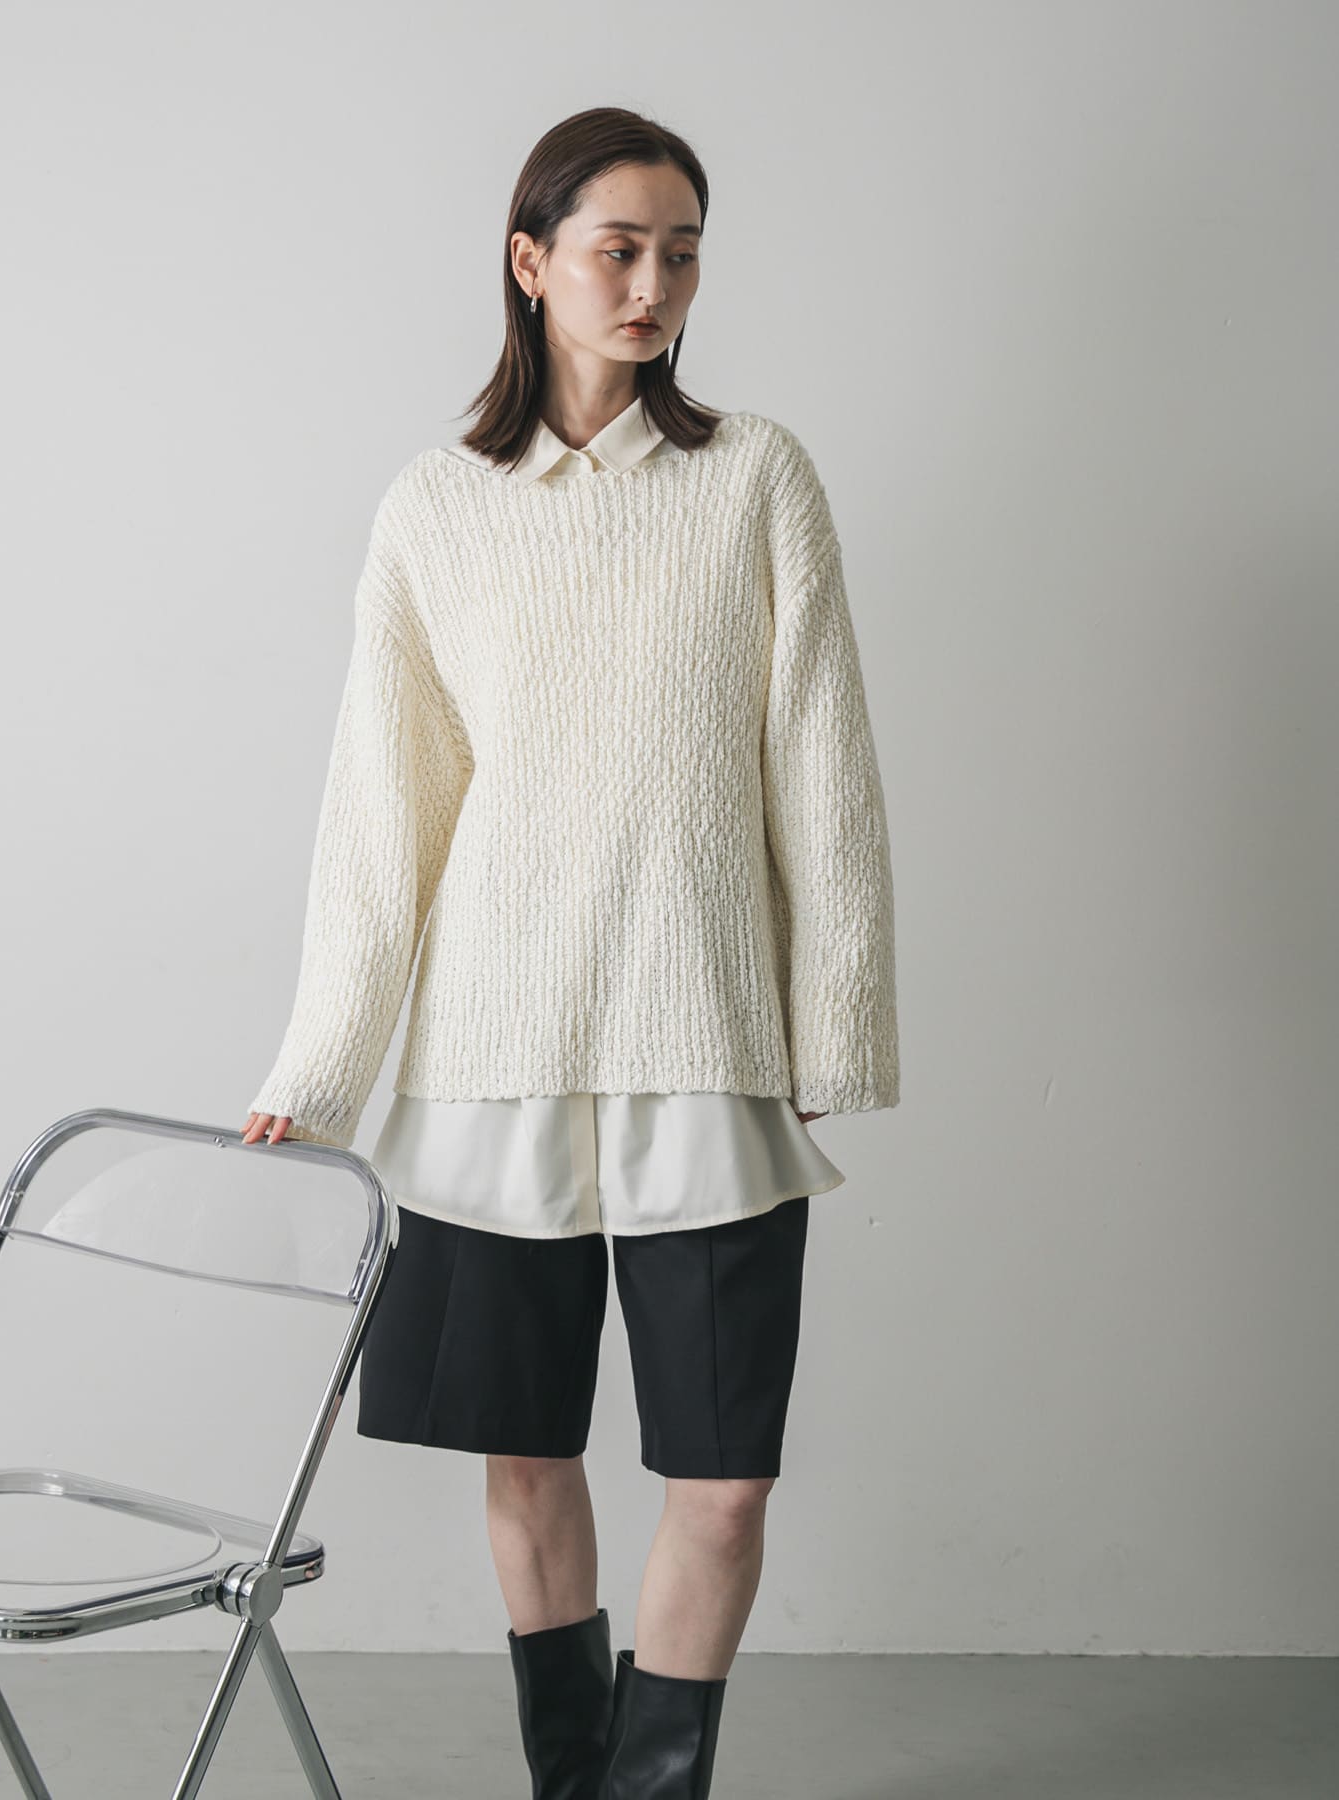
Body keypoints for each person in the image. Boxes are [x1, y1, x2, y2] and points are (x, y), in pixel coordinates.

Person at [242, 105, 900, 1800]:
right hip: (495, 1052)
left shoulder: (756, 477)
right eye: (620, 249)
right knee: (525, 1456)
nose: (654, 284)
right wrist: (322, 1063)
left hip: (707, 1043)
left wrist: (833, 1028)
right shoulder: (436, 506)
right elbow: (383, 807)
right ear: (530, 263)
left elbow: (823, 770)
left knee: (725, 1481)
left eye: (682, 253)